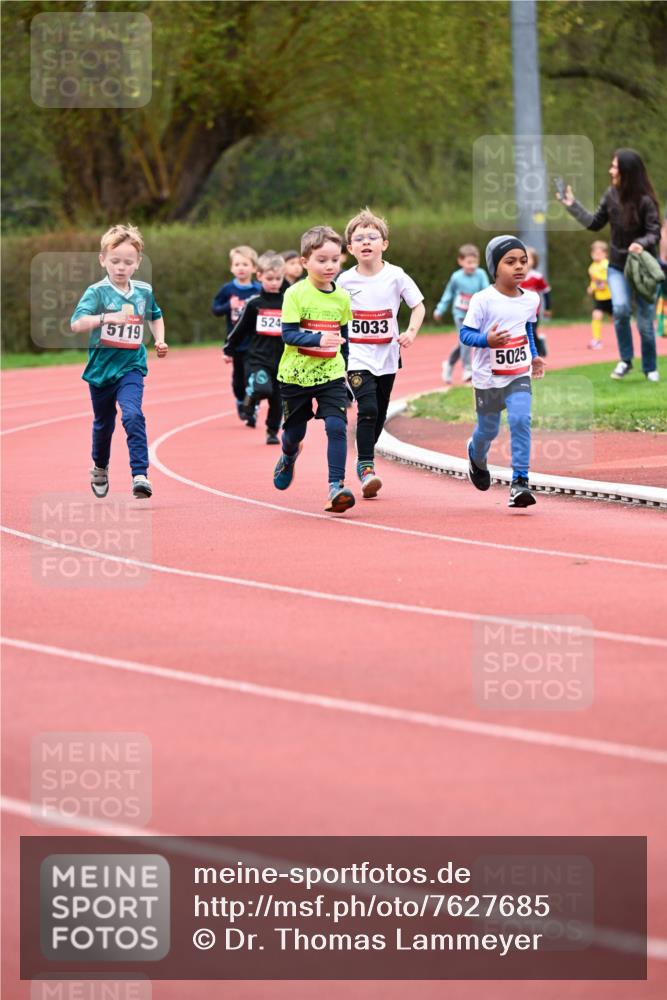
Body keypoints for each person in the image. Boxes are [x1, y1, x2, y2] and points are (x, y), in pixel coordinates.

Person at [70, 223, 168, 500]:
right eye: (115, 261)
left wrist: (159, 340)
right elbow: (76, 324)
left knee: (133, 414)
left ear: (137, 263)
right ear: (103, 260)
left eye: (127, 262)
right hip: (101, 370)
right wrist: (106, 318)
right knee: (104, 424)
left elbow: (155, 316)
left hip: (131, 366)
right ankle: (100, 467)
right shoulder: (96, 292)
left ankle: (140, 475)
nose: (121, 267)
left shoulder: (143, 291)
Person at [337, 208, 425, 497]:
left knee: (379, 412)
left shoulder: (396, 275)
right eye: (359, 238)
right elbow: (333, 312)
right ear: (350, 248)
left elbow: (418, 306)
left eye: (372, 237)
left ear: (384, 244)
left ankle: (364, 454)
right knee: (368, 408)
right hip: (357, 356)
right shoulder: (344, 281)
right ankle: (366, 468)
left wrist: (411, 331)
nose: (366, 242)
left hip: (387, 356)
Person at [557, 148, 661, 381]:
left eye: (615, 166)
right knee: (621, 310)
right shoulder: (610, 195)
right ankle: (625, 360)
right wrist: (572, 205)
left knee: (645, 324)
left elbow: (654, 232)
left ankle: (650, 368)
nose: (610, 170)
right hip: (617, 266)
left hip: (644, 269)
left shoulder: (645, 201)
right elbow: (595, 223)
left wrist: (641, 243)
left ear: (627, 171)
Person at [273, 225, 355, 514]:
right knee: (294, 433)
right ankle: (288, 454)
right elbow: (288, 335)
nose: (329, 265)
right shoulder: (295, 294)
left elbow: (344, 339)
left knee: (337, 426)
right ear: (305, 261)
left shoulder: (342, 297)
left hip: (330, 374)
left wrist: (346, 373)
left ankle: (336, 487)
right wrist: (318, 339)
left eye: (335, 259)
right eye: (322, 260)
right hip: (295, 375)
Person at [460, 235, 546, 509]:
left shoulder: (531, 299)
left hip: (518, 373)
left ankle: (520, 481)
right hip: (488, 377)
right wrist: (487, 340)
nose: (519, 266)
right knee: (488, 430)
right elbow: (465, 334)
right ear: (494, 268)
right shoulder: (482, 300)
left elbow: (527, 328)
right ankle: (476, 454)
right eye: (510, 262)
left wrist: (534, 356)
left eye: (523, 261)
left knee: (520, 420)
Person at [223, 251, 285, 444]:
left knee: (277, 399)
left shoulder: (288, 302)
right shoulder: (254, 304)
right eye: (269, 279)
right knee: (263, 388)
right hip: (259, 357)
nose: (274, 283)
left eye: (278, 279)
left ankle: (272, 431)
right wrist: (228, 348)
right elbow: (240, 328)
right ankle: (250, 398)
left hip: (282, 359)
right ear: (259, 276)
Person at [212, 246, 261, 418]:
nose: (241, 268)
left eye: (245, 264)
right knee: (238, 380)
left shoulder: (259, 290)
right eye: (237, 264)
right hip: (236, 341)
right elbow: (215, 309)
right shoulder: (227, 290)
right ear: (231, 268)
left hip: (255, 342)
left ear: (254, 268)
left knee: (251, 375)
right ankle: (241, 400)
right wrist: (228, 306)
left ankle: (252, 404)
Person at [433, 244, 489, 384]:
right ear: (460, 261)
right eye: (469, 262)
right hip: (460, 314)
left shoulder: (481, 274)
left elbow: (486, 292)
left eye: (475, 262)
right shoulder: (456, 277)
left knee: (464, 342)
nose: (472, 266)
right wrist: (440, 309)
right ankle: (467, 370)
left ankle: (449, 363)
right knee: (466, 341)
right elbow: (448, 294)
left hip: (476, 315)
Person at [519, 247, 551, 358]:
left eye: (529, 258)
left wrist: (547, 308)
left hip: (534, 311)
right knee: (522, 332)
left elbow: (546, 291)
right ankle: (528, 352)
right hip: (519, 311)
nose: (526, 261)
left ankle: (538, 351)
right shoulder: (517, 276)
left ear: (534, 261)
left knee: (531, 331)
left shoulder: (537, 277)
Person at [586, 240, 612, 350]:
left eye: (599, 253)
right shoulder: (591, 267)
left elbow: (608, 278)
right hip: (600, 298)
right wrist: (591, 287)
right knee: (596, 316)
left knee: (617, 320)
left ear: (605, 254)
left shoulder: (606, 264)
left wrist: (600, 281)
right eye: (594, 253)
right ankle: (596, 340)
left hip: (611, 297)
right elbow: (594, 281)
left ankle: (625, 338)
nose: (596, 255)